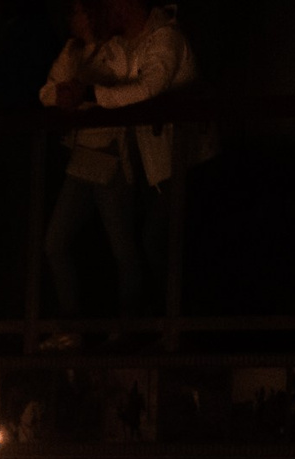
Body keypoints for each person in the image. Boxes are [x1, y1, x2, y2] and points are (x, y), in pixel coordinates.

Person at [51, 0, 215, 326]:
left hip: (184, 161)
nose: (102, 15)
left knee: (160, 244)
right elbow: (119, 83)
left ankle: (175, 328)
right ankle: (162, 326)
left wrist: (89, 95)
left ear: (124, 7)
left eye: (107, 6)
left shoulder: (165, 39)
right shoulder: (126, 46)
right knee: (153, 244)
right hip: (156, 164)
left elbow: (149, 87)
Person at [39, 0, 136, 346]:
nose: (72, 17)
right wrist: (67, 95)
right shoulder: (73, 51)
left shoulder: (118, 48)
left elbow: (122, 91)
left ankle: (127, 324)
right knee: (55, 241)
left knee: (122, 246)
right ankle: (72, 325)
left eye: (78, 10)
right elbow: (48, 92)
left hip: (108, 152)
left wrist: (83, 94)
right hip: (81, 156)